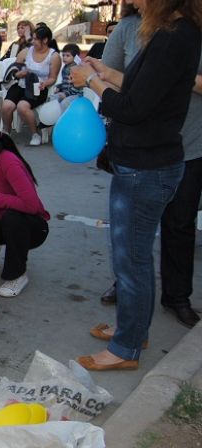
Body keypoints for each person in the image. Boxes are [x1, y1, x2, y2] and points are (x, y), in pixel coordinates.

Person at [71, 0, 201, 371]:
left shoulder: (174, 37)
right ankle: (132, 330)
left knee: (131, 261)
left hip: (146, 167)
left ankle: (126, 349)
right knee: (133, 257)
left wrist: (92, 82)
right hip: (146, 162)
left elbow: (132, 109)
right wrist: (108, 72)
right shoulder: (172, 32)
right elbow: (146, 91)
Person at [0, 115, 49, 297]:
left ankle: (17, 274)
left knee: (12, 218)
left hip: (32, 227)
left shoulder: (8, 161)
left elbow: (32, 205)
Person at [97, 0, 141, 306]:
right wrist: (102, 75)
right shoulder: (128, 28)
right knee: (128, 240)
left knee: (134, 239)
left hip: (160, 152)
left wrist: (92, 80)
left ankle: (130, 336)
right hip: (132, 149)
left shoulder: (179, 34)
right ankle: (131, 323)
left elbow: (137, 100)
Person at [158, 51, 202, 328]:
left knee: (181, 224)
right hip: (144, 149)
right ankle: (124, 288)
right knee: (132, 229)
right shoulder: (133, 28)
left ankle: (177, 297)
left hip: (191, 149)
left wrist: (176, 75)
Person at [0, 26, 61, 146]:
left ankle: (35, 134)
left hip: (38, 87)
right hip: (21, 84)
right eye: (32, 39)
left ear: (45, 40)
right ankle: (7, 131)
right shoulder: (26, 51)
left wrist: (45, 83)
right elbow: (15, 70)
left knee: (23, 106)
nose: (32, 42)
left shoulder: (54, 56)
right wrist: (20, 73)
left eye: (35, 39)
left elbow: (52, 78)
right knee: (6, 106)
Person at [54, 43, 83, 111]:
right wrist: (59, 87)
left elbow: (77, 87)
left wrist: (66, 94)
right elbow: (65, 82)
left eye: (67, 56)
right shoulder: (65, 67)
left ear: (75, 57)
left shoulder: (76, 69)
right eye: (63, 55)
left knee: (64, 103)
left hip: (76, 94)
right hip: (66, 93)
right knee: (52, 99)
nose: (64, 58)